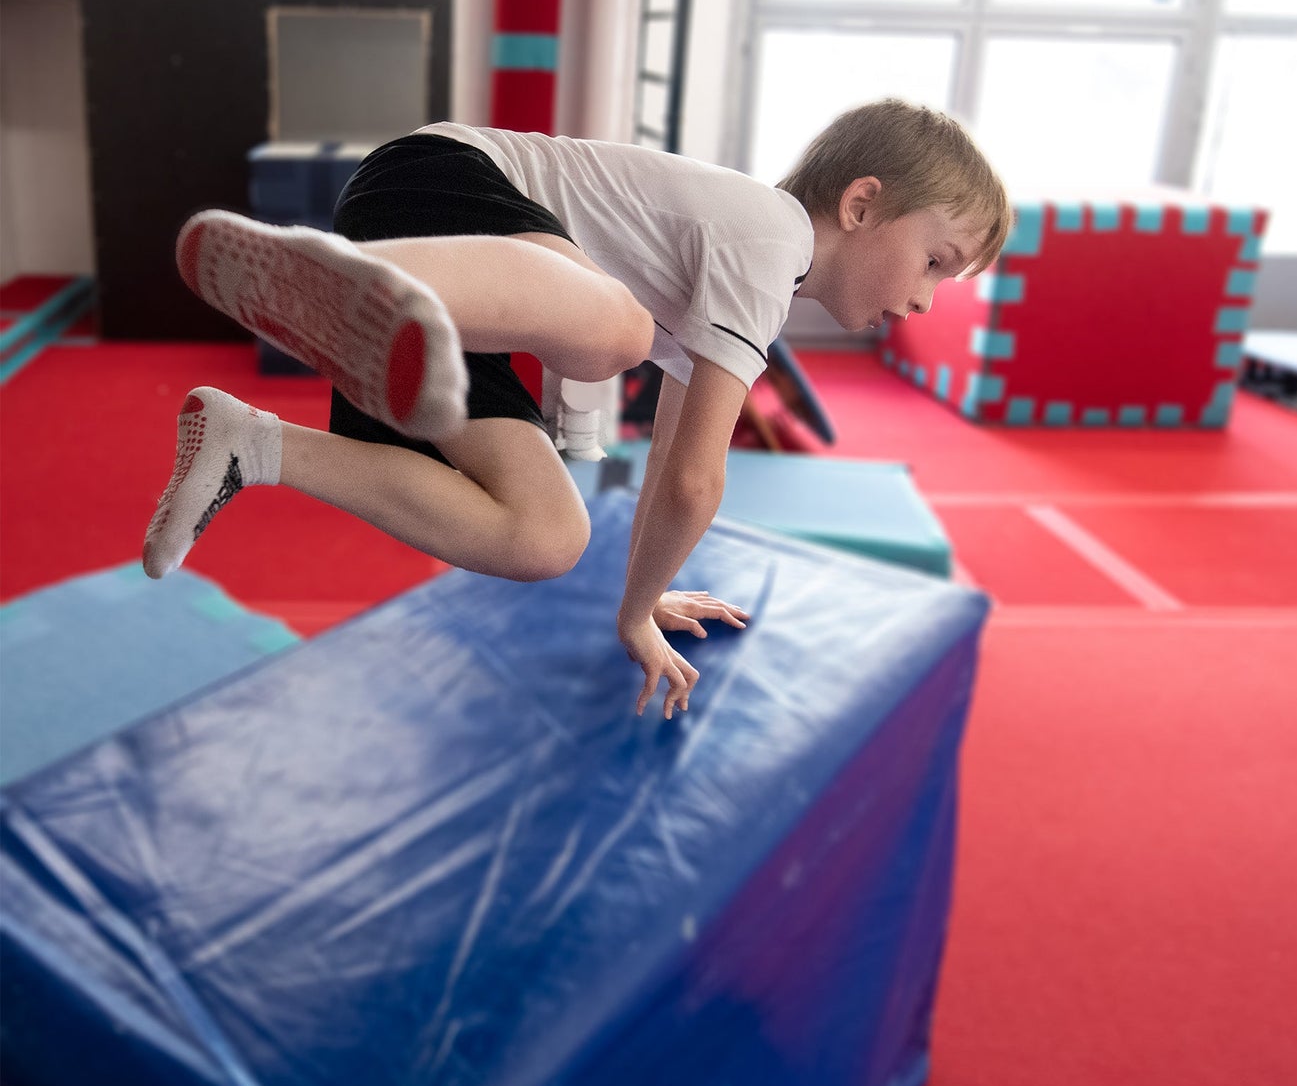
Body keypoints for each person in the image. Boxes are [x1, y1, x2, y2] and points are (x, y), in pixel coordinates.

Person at [144, 98, 1011, 719]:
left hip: (461, 290)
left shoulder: (735, 295)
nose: (929, 300)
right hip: (444, 180)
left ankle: (250, 445)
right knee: (616, 331)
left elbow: (674, 457)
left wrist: (644, 596)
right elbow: (696, 482)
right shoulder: (770, 234)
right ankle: (329, 273)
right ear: (861, 206)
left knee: (544, 536)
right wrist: (637, 609)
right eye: (935, 261)